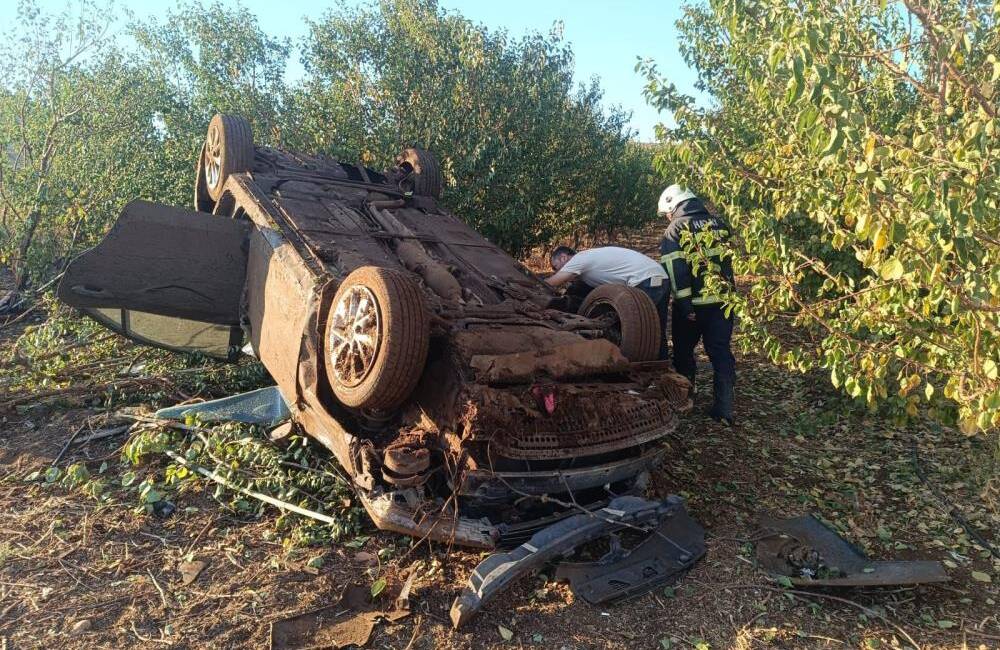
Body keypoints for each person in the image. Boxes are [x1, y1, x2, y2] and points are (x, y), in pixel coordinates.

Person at [657, 185, 736, 425]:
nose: (668, 218)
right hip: (723, 303)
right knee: (721, 352)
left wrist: (685, 305)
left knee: (683, 352)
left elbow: (675, 269)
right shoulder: (720, 224)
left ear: (674, 204)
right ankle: (724, 409)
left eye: (667, 213)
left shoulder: (676, 229)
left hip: (693, 306)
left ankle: (685, 400)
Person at [547, 245, 669, 360]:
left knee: (632, 330)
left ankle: (629, 366)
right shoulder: (590, 262)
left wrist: (534, 286)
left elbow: (552, 282)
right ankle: (663, 368)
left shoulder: (579, 258)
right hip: (659, 276)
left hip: (645, 279)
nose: (555, 271)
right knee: (657, 329)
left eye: (556, 267)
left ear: (563, 257)